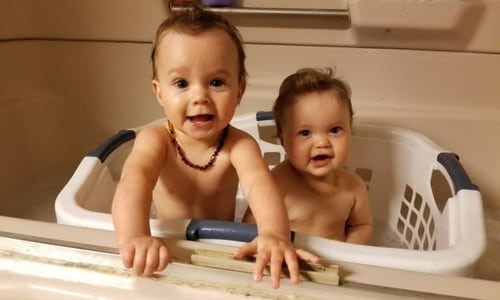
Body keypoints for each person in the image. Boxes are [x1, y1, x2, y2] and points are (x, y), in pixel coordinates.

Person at [111, 4, 317, 289]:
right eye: (182, 83)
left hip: (223, 247)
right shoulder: (155, 139)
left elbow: (260, 187)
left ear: (239, 91)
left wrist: (274, 234)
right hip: (172, 247)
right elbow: (134, 182)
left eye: (217, 82)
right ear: (159, 93)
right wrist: (135, 236)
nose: (200, 96)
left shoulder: (239, 144)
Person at [244, 68, 373, 244]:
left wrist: (352, 254)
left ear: (351, 130)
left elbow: (361, 225)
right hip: (287, 262)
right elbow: (249, 229)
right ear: (283, 140)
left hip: (335, 265)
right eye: (305, 133)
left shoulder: (354, 187)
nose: (322, 143)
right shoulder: (274, 185)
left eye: (335, 130)